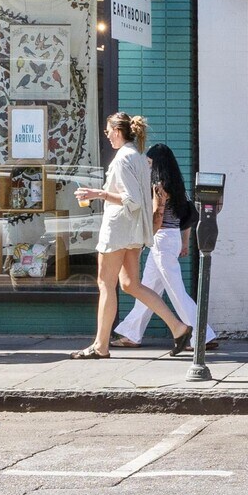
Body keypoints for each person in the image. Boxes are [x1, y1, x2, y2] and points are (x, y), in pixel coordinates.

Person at [72, 113, 188, 359]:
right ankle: (178, 328)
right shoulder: (137, 157)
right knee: (130, 284)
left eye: (108, 131)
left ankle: (100, 346)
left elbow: (131, 199)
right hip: (133, 231)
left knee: (105, 284)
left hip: (118, 229)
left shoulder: (123, 158)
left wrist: (98, 194)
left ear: (117, 130)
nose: (107, 136)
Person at [116, 142, 217, 354]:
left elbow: (157, 218)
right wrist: (184, 242)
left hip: (160, 239)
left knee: (176, 290)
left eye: (149, 162)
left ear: (157, 163)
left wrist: (143, 241)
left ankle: (202, 336)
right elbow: (187, 218)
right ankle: (131, 333)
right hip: (171, 238)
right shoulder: (177, 185)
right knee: (148, 288)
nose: (147, 166)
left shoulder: (158, 187)